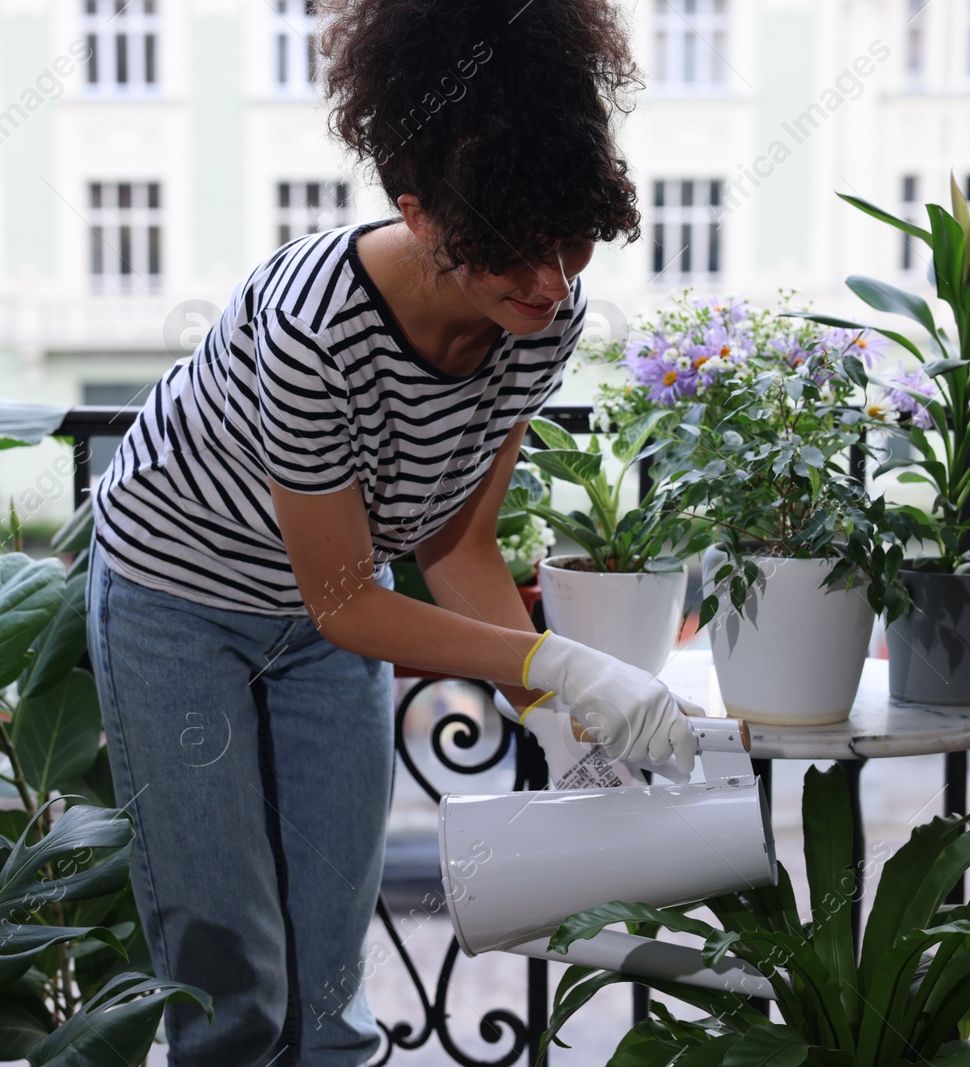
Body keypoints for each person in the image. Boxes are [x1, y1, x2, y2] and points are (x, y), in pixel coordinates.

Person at [84, 1, 698, 1062]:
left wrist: (556, 716)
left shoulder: (540, 318)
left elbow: (455, 546)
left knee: (332, 986)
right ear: (420, 215)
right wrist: (568, 663)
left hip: (336, 608)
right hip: (179, 600)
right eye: (516, 252)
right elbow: (349, 603)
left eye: (571, 242)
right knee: (228, 976)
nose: (551, 282)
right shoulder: (316, 329)